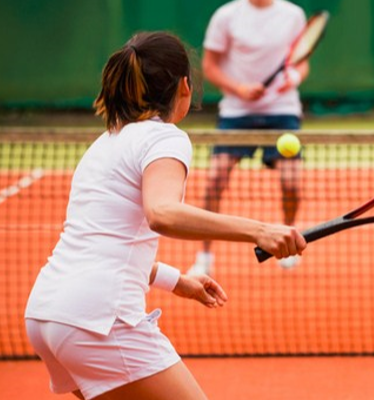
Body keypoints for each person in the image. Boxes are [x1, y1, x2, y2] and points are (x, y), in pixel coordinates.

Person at [24, 32, 306, 400]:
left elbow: (105, 242)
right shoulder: (165, 138)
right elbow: (162, 213)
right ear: (185, 86)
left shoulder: (106, 141)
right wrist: (260, 230)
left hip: (48, 315)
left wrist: (177, 281)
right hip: (100, 321)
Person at [188, 0, 309, 275]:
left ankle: (288, 241)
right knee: (215, 180)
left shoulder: (293, 15)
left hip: (283, 111)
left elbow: (301, 64)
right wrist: (239, 88)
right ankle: (204, 256)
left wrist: (294, 78)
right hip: (236, 112)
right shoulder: (226, 16)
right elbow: (210, 66)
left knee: (292, 183)